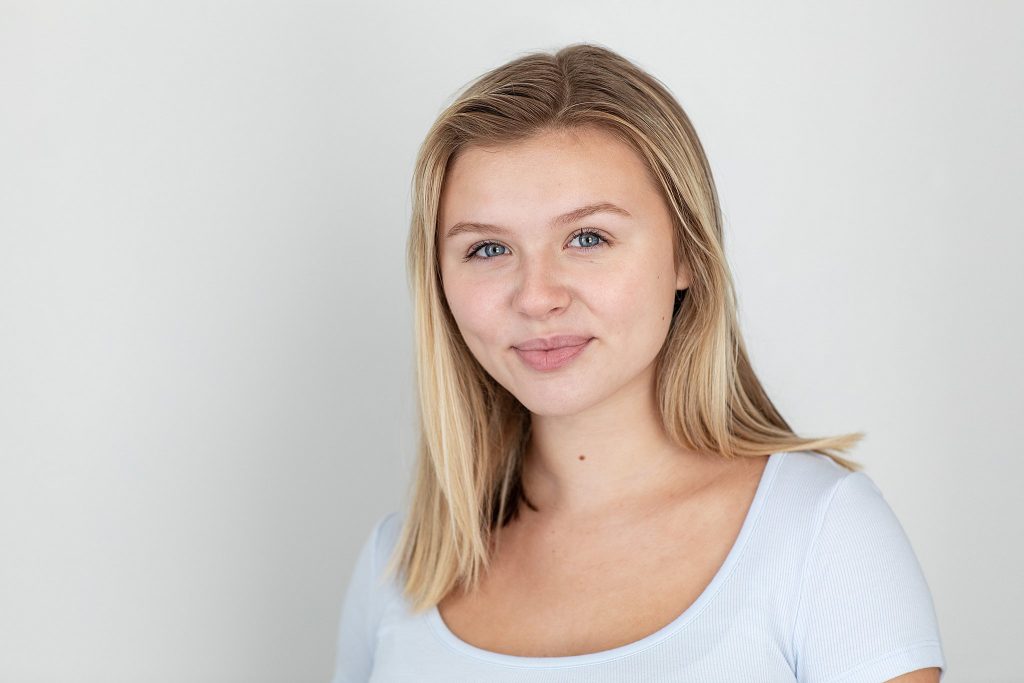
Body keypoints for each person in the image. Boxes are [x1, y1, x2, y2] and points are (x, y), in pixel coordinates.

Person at [331, 43, 946, 682]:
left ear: (686, 255)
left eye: (587, 238)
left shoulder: (821, 533)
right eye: (488, 249)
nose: (536, 297)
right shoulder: (395, 569)